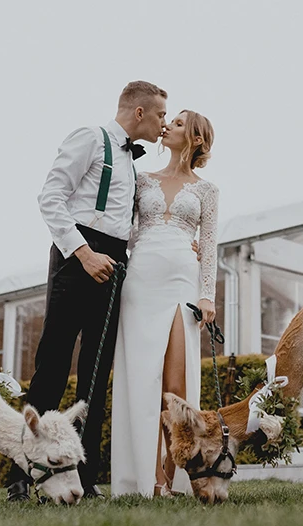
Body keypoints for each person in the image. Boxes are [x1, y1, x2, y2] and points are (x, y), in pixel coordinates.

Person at [7, 81, 168, 502]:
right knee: (53, 368)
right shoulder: (89, 138)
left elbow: (122, 224)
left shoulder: (133, 164)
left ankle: (84, 475)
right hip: (77, 257)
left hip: (116, 263)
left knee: (96, 379)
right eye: (160, 115)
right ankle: (22, 475)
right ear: (139, 113)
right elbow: (50, 198)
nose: (164, 124)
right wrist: (85, 253)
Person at [111, 109, 218, 498]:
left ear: (194, 137)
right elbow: (127, 233)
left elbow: (209, 246)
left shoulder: (207, 191)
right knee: (144, 382)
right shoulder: (141, 181)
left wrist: (208, 294)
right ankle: (153, 480)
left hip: (182, 285)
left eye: (176, 123)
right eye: (167, 120)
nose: (166, 126)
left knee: (176, 386)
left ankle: (175, 477)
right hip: (141, 281)